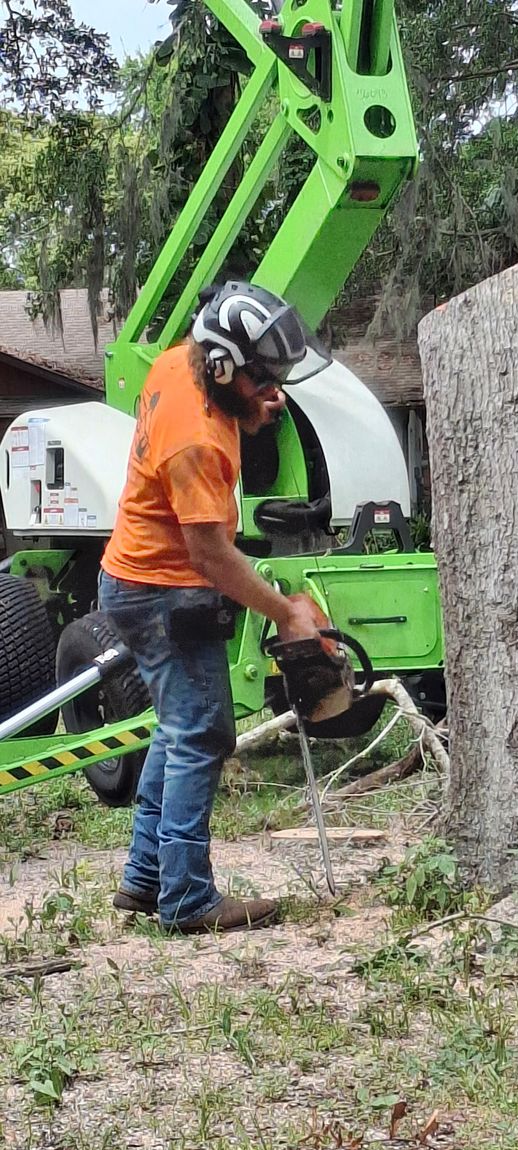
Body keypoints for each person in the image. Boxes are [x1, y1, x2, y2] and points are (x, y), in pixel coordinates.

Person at [99, 280, 330, 934]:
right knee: (202, 730)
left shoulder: (183, 360)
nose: (272, 390)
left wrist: (252, 405)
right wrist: (285, 611)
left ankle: (146, 879)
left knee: (180, 727)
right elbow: (210, 557)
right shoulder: (197, 440)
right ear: (225, 366)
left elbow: (230, 401)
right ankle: (187, 899)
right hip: (161, 591)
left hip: (137, 579)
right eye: (262, 378)